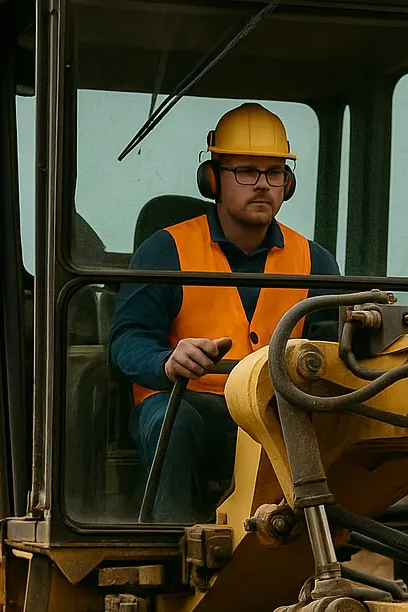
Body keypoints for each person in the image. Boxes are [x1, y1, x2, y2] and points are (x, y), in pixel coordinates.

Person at [109, 102, 340, 523]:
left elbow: (333, 349)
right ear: (212, 179)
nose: (263, 186)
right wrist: (167, 361)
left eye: (274, 173)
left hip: (275, 412)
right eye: (247, 172)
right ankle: (170, 547)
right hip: (188, 403)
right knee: (170, 421)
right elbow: (126, 340)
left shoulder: (316, 262)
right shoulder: (166, 251)